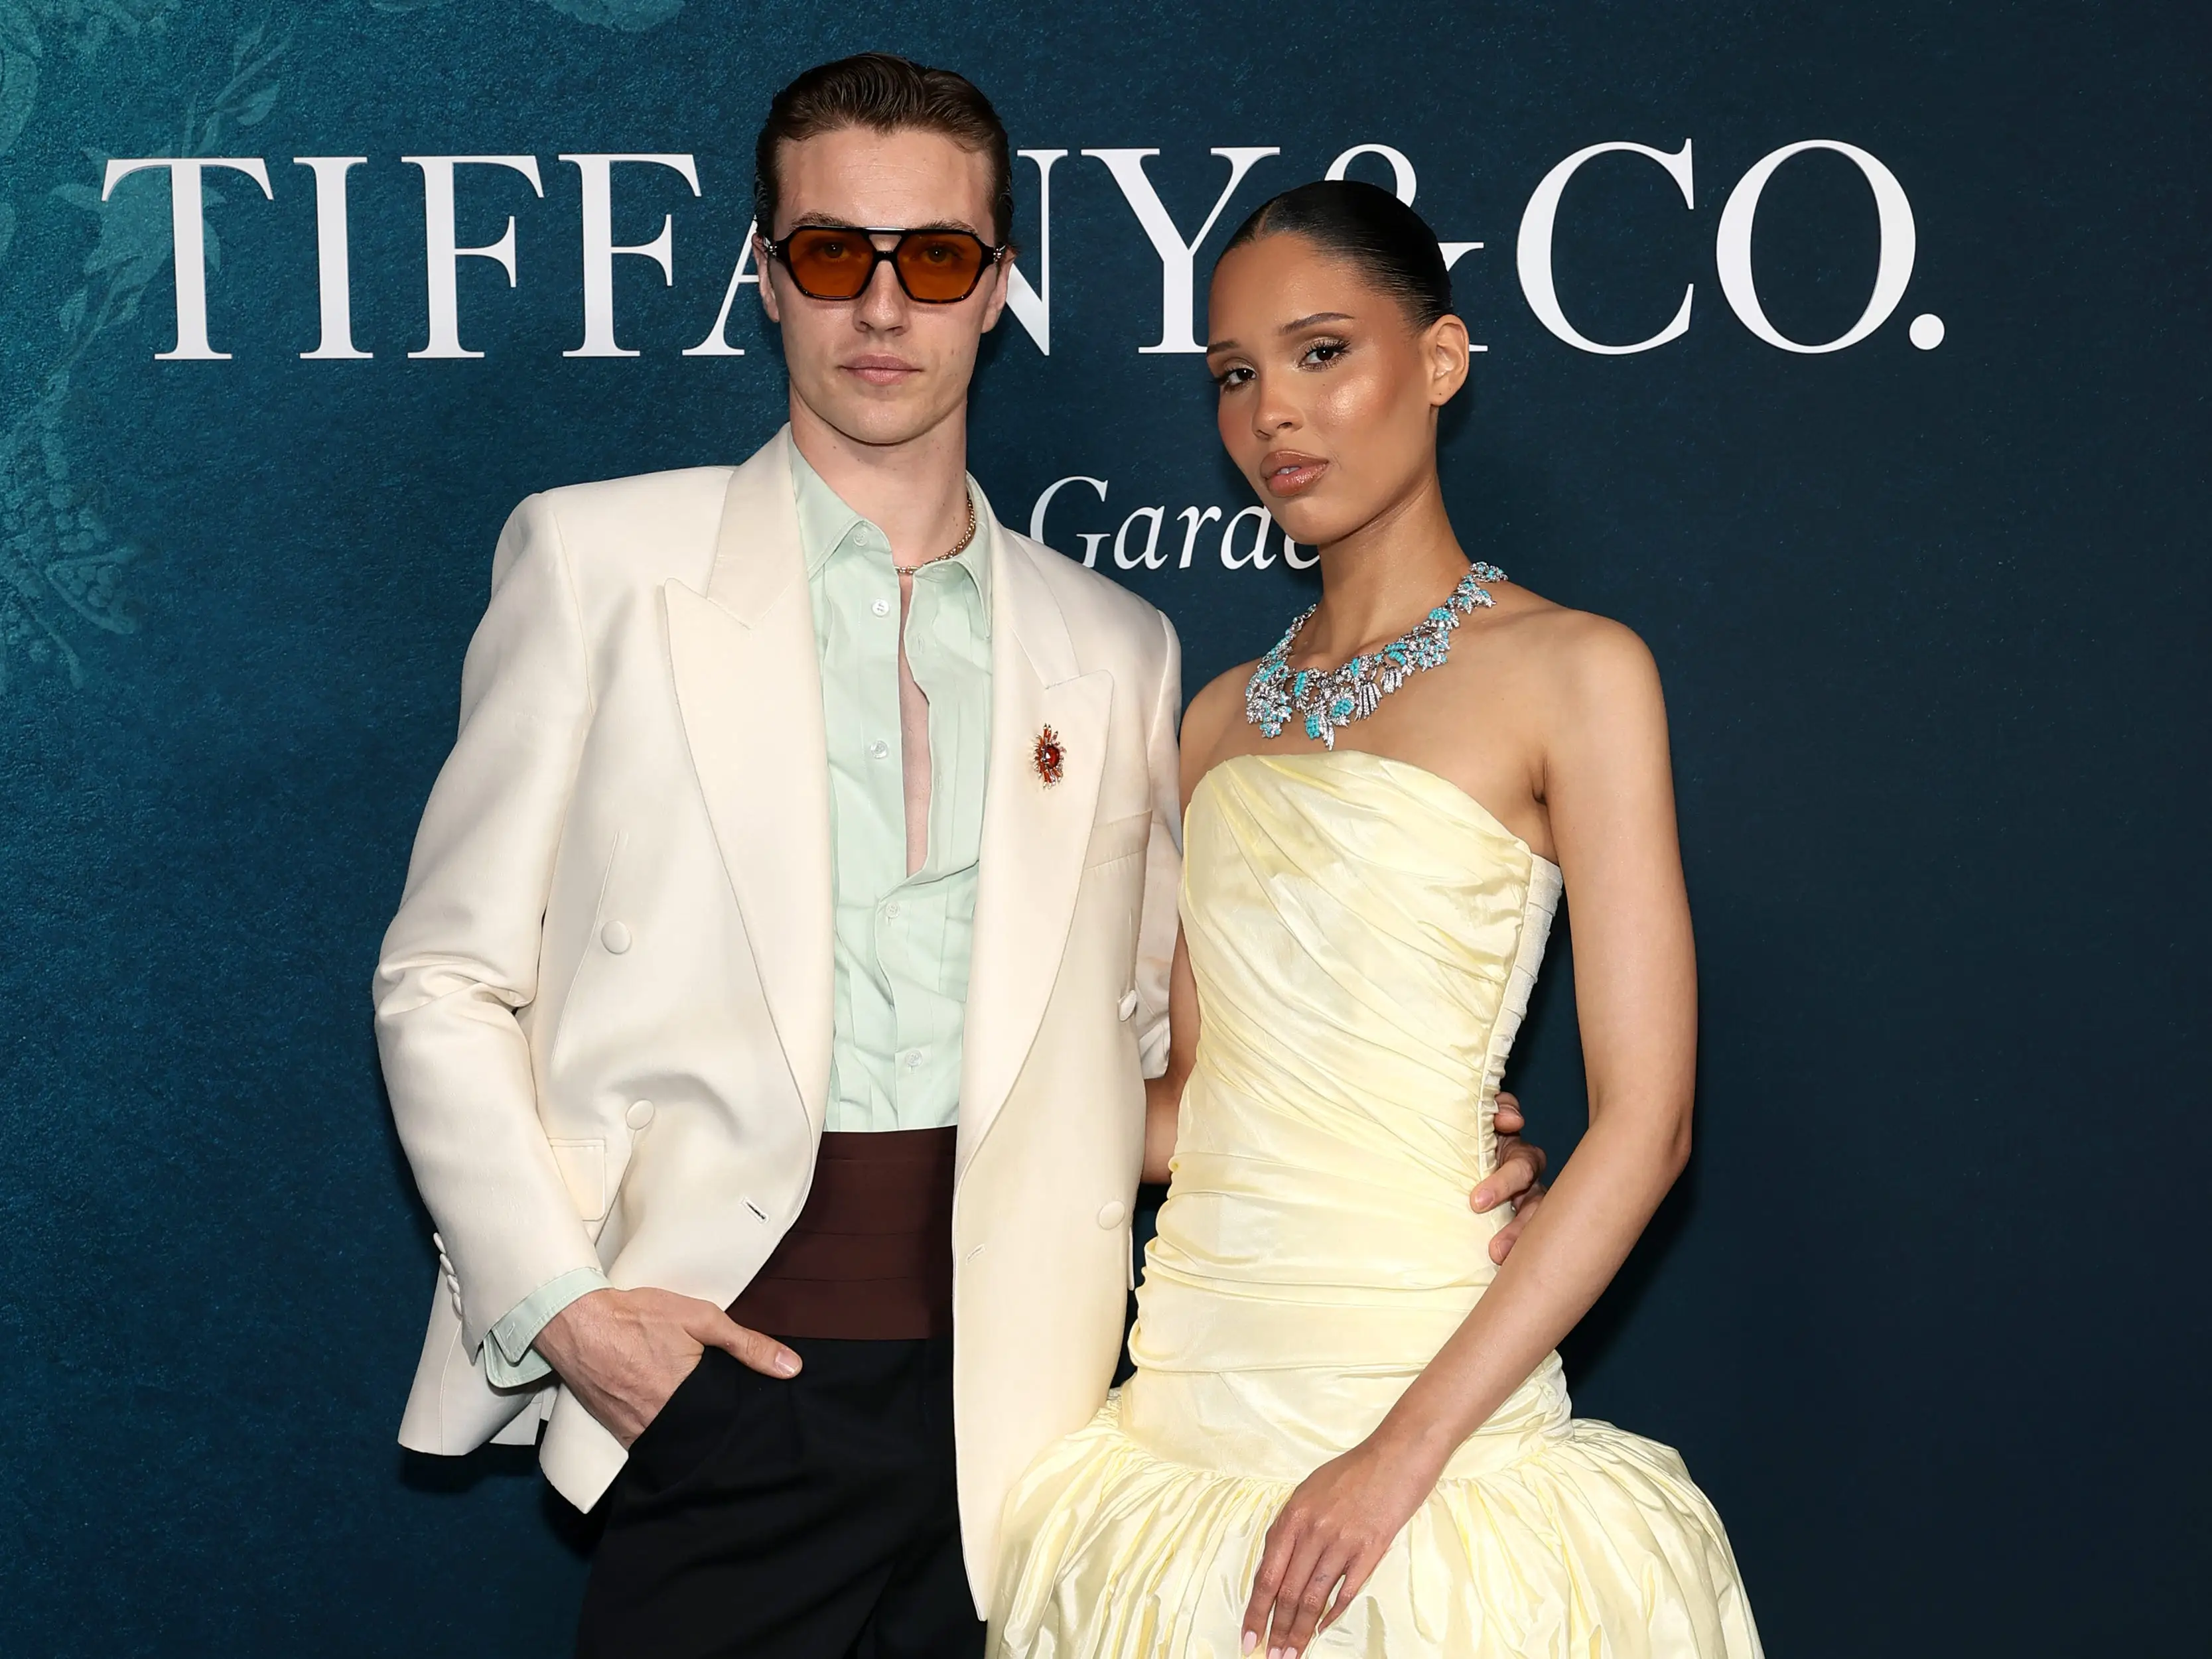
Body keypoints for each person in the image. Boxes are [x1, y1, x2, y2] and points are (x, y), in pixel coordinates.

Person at [374, 60, 1555, 1659]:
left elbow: (1147, 1043)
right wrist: (565, 1311)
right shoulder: (598, 562)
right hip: (717, 1378)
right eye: (828, 253)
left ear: (993, 287)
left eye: (931, 258)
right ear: (762, 272)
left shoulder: (1119, 645)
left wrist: (1405, 1121)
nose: (880, 305)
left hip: (1032, 1424)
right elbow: (443, 973)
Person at [989, 180, 1763, 1659]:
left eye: (1322, 352)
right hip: (1177, 1418)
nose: (1272, 411)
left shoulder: (1575, 670)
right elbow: (1189, 1106)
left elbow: (1648, 1122)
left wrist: (1395, 1457)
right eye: (1233, 373)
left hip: (1422, 1414)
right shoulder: (1213, 718)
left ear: (1442, 360)